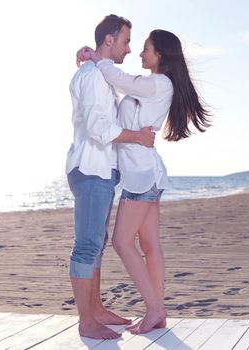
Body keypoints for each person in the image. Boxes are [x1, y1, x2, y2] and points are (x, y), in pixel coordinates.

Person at [76, 29, 210, 335]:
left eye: (146, 49)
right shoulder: (154, 87)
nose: (140, 53)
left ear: (160, 54)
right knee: (149, 245)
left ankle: (155, 309)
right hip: (148, 174)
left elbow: (118, 78)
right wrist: (94, 60)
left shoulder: (157, 84)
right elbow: (122, 89)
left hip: (140, 177)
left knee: (123, 243)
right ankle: (157, 312)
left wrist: (95, 58)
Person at [66, 14, 156, 340]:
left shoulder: (99, 74)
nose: (129, 48)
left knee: (96, 245)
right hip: (90, 169)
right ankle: (86, 321)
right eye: (125, 41)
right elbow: (98, 129)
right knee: (87, 246)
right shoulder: (91, 77)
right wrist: (138, 137)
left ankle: (96, 310)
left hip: (101, 171)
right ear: (109, 40)